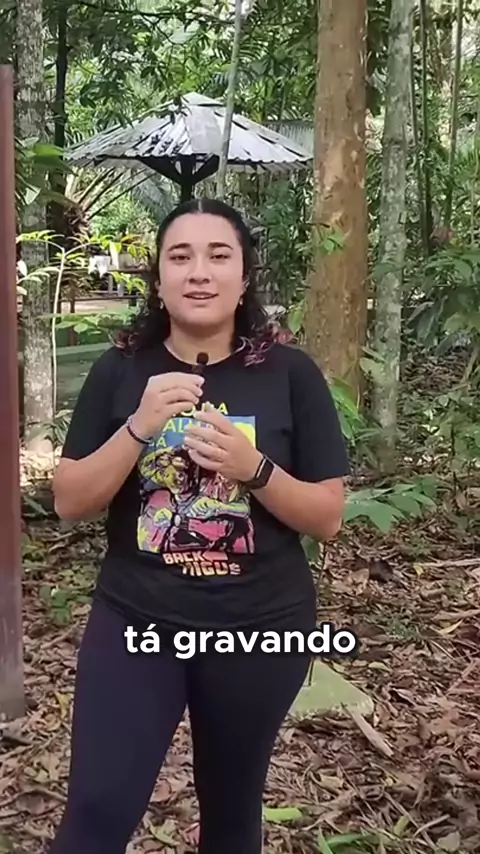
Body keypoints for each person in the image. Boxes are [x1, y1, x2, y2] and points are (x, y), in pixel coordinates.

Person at [49, 197, 350, 854]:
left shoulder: (291, 375)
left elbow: (327, 516)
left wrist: (254, 469)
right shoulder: (120, 370)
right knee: (98, 810)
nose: (199, 272)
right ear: (158, 279)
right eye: (180, 257)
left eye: (219, 256)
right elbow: (70, 499)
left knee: (232, 811)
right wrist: (139, 427)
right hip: (138, 619)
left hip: (260, 624)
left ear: (244, 276)